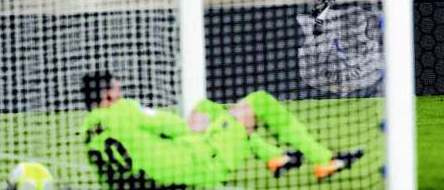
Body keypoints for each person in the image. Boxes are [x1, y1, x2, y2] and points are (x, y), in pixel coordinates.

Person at [81, 70, 363, 189]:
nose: (121, 93)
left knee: (205, 105)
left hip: (161, 182)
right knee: (257, 102)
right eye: (117, 89)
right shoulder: (125, 109)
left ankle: (275, 157)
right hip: (201, 164)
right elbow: (175, 126)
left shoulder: (86, 134)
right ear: (109, 96)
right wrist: (194, 129)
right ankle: (323, 161)